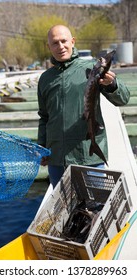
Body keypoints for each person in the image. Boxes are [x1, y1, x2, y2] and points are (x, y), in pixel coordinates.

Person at [37, 25, 130, 187]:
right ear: (48, 47)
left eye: (64, 41)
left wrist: (112, 84)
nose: (60, 46)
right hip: (56, 160)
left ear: (72, 41)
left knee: (96, 207)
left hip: (88, 156)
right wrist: (42, 146)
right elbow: (44, 117)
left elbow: (123, 99)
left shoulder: (92, 68)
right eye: (55, 43)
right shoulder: (45, 78)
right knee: (67, 209)